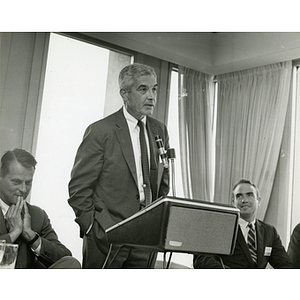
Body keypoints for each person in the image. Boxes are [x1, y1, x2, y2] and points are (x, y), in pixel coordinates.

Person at [68, 63, 170, 268]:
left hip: (146, 240)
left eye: (154, 89)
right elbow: (78, 190)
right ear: (124, 94)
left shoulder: (160, 130)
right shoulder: (100, 131)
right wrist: (94, 229)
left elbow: (162, 185)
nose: (151, 96)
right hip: (108, 237)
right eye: (143, 89)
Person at [0, 148, 81, 269]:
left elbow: (64, 257)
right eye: (16, 182)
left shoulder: (37, 215)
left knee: (71, 264)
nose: (23, 189)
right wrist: (13, 234)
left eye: (28, 183)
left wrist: (32, 237)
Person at [193, 178, 293, 269]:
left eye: (249, 195)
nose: (244, 200)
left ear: (259, 201)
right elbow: (202, 261)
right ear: (233, 202)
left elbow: (285, 264)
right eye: (239, 196)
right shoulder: (219, 227)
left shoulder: (269, 231)